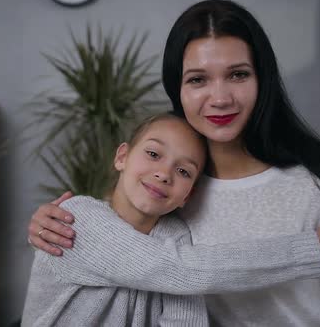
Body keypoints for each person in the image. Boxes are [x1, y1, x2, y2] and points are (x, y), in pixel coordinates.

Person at [27, 0, 320, 326]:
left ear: (261, 79)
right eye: (198, 79)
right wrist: (51, 222)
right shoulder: (167, 202)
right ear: (179, 90)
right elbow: (171, 267)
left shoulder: (318, 183)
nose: (220, 98)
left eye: (238, 74)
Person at [22, 113, 210, 326]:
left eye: (184, 171)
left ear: (188, 195)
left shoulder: (176, 236)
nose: (164, 174)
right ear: (122, 157)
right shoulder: (75, 218)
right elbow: (179, 272)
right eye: (153, 154)